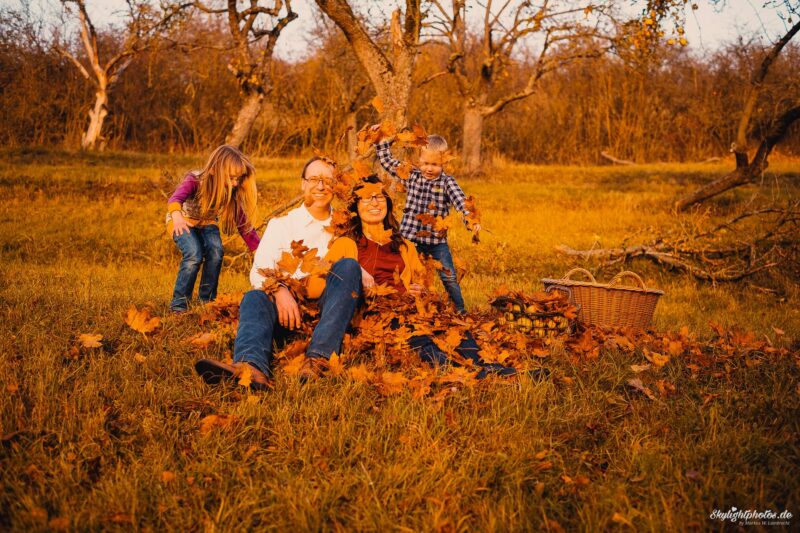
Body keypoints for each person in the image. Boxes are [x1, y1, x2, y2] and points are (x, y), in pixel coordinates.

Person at [308, 175, 515, 378]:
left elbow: (426, 289)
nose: (374, 202)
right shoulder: (346, 244)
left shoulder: (405, 246)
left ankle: (493, 367)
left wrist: (421, 291)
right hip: (375, 317)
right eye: (366, 197)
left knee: (452, 328)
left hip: (407, 308)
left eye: (379, 197)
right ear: (356, 206)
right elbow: (314, 289)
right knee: (419, 337)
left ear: (388, 204)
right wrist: (353, 270)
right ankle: (457, 373)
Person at [194, 157, 362, 390]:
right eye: (314, 179)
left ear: (336, 184)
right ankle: (251, 367)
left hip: (329, 309)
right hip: (286, 313)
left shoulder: (347, 225)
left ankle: (318, 360)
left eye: (327, 180)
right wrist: (281, 290)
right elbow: (258, 270)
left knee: (350, 267)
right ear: (303, 184)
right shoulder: (282, 225)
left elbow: (356, 265)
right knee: (254, 296)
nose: (321, 186)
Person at [374, 133, 479, 314]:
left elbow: (461, 202)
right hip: (410, 241)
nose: (429, 169)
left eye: (435, 165)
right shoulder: (412, 175)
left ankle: (460, 310)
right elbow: (389, 164)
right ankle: (407, 309)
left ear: (443, 163)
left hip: (436, 243)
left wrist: (471, 220)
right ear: (419, 160)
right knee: (407, 275)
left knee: (449, 277)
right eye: (425, 163)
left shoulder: (447, 182)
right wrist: (380, 143)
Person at [167, 145, 260, 313]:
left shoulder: (230, 190)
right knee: (194, 254)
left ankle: (207, 301)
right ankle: (179, 305)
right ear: (214, 171)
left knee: (216, 252)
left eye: (238, 179)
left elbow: (243, 224)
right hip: (182, 220)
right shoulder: (194, 180)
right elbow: (175, 199)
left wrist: (258, 249)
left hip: (207, 222)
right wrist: (177, 216)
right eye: (231, 178)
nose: (235, 183)